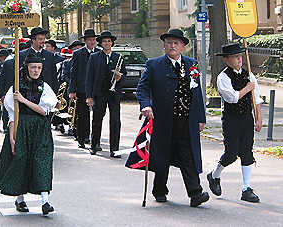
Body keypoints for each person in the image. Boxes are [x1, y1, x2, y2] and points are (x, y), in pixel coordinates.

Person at [137, 28, 209, 207]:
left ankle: (195, 193)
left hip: (186, 121)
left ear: (183, 47)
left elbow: (197, 93)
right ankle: (159, 190)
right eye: (169, 42)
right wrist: (146, 105)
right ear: (164, 45)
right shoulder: (153, 64)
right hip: (162, 121)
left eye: (176, 43)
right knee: (163, 154)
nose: (172, 46)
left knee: (188, 156)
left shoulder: (191, 65)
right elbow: (142, 89)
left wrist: (201, 118)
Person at [0, 54, 58, 216]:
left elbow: (43, 111)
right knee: (20, 160)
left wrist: (23, 100)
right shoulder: (16, 86)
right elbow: (12, 114)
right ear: (27, 67)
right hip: (21, 127)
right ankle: (20, 199)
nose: (36, 71)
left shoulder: (44, 87)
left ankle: (45, 201)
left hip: (40, 128)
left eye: (39, 68)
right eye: (33, 67)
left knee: (41, 161)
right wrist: (12, 136)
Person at [207, 43, 263, 203]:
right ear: (226, 60)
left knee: (246, 152)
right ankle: (214, 175)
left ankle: (246, 188)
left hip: (246, 118)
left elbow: (256, 98)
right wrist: (247, 88)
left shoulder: (249, 75)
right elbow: (232, 97)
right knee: (231, 153)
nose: (240, 59)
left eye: (240, 56)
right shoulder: (223, 77)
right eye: (236, 57)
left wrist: (258, 118)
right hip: (231, 119)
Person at [85, 31, 126, 157]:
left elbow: (124, 74)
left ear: (112, 43)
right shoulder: (94, 57)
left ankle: (115, 149)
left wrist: (119, 78)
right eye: (104, 41)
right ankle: (94, 145)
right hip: (99, 93)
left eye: (109, 41)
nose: (107, 43)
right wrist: (89, 96)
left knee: (115, 121)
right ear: (101, 44)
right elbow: (89, 78)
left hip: (114, 94)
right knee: (97, 119)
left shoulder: (118, 57)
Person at [69, 29, 100, 149]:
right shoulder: (78, 54)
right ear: (85, 41)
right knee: (82, 115)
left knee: (97, 116)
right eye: (89, 40)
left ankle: (94, 139)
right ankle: (82, 138)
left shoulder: (99, 53)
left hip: (96, 89)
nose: (92, 42)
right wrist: (72, 90)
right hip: (82, 88)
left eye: (93, 40)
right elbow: (74, 73)